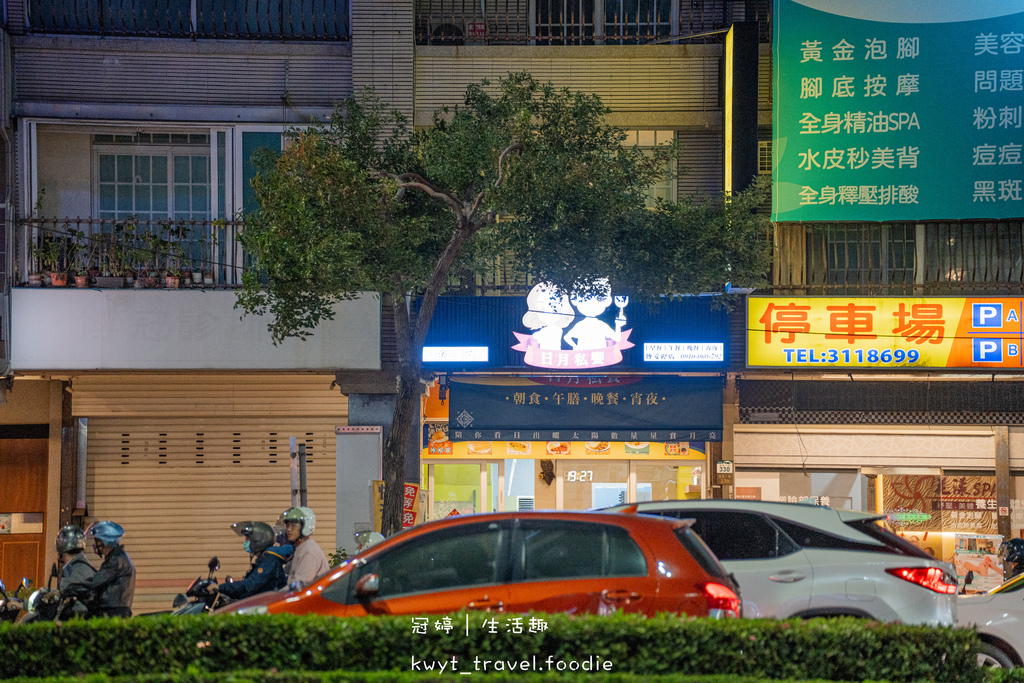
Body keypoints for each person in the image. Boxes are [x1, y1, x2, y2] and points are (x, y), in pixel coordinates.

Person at [208, 521, 291, 600]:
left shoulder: (270, 560)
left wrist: (220, 587)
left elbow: (249, 585)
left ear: (258, 540)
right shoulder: (263, 559)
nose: (245, 542)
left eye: (248, 538)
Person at [83, 521, 135, 618]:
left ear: (103, 541)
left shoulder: (115, 561)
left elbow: (95, 581)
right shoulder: (118, 557)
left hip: (111, 613)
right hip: (116, 611)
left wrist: (77, 585)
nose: (96, 544)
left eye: (97, 540)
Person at [279, 507, 330, 588]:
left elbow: (299, 587)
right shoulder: (302, 547)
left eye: (293, 526)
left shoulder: (308, 551)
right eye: (287, 525)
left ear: (305, 527)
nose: (288, 529)